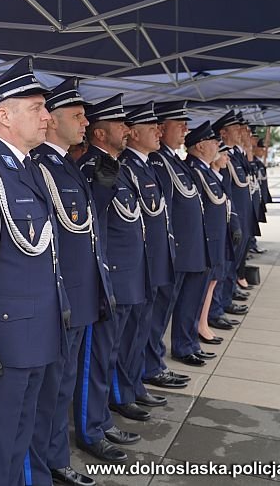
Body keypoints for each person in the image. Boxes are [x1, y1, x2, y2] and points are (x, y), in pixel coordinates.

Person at [0, 56, 69, 485]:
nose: (47, 117)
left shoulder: (29, 168)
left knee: (25, 431)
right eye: (36, 108)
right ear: (3, 116)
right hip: (7, 336)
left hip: (38, 328)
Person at [30, 77, 113, 486]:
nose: (84, 123)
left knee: (61, 388)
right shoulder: (43, 167)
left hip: (79, 295)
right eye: (76, 116)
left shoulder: (66, 164)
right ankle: (48, 463)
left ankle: (54, 458)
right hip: (62, 299)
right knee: (52, 392)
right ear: (52, 122)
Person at [74, 93, 144, 463]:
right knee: (95, 360)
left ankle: (100, 419)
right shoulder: (90, 168)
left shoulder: (115, 165)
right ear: (101, 134)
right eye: (120, 125)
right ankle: (90, 428)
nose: (127, 130)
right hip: (107, 277)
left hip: (121, 274)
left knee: (109, 354)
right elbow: (91, 227)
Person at [117, 102, 174, 415]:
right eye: (150, 127)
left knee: (140, 332)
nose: (158, 131)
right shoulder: (124, 166)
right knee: (125, 339)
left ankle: (134, 385)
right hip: (133, 267)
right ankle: (123, 392)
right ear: (133, 133)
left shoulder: (147, 165)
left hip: (149, 263)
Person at [148, 101, 211, 369]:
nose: (186, 129)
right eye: (180, 124)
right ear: (162, 128)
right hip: (176, 251)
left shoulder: (173, 160)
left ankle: (182, 347)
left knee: (181, 305)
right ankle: (153, 365)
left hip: (188, 249)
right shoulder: (158, 161)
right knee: (158, 315)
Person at [185, 123, 240, 347]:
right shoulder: (195, 171)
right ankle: (191, 336)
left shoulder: (206, 171)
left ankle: (200, 327)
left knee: (208, 286)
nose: (218, 146)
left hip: (214, 240)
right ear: (200, 145)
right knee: (193, 295)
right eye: (213, 142)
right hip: (204, 242)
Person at [208, 110, 250, 331]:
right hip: (227, 220)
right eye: (235, 129)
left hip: (238, 217)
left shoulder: (235, 155)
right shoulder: (222, 159)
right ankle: (216, 309)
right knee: (219, 269)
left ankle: (224, 300)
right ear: (223, 133)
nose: (241, 133)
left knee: (228, 266)